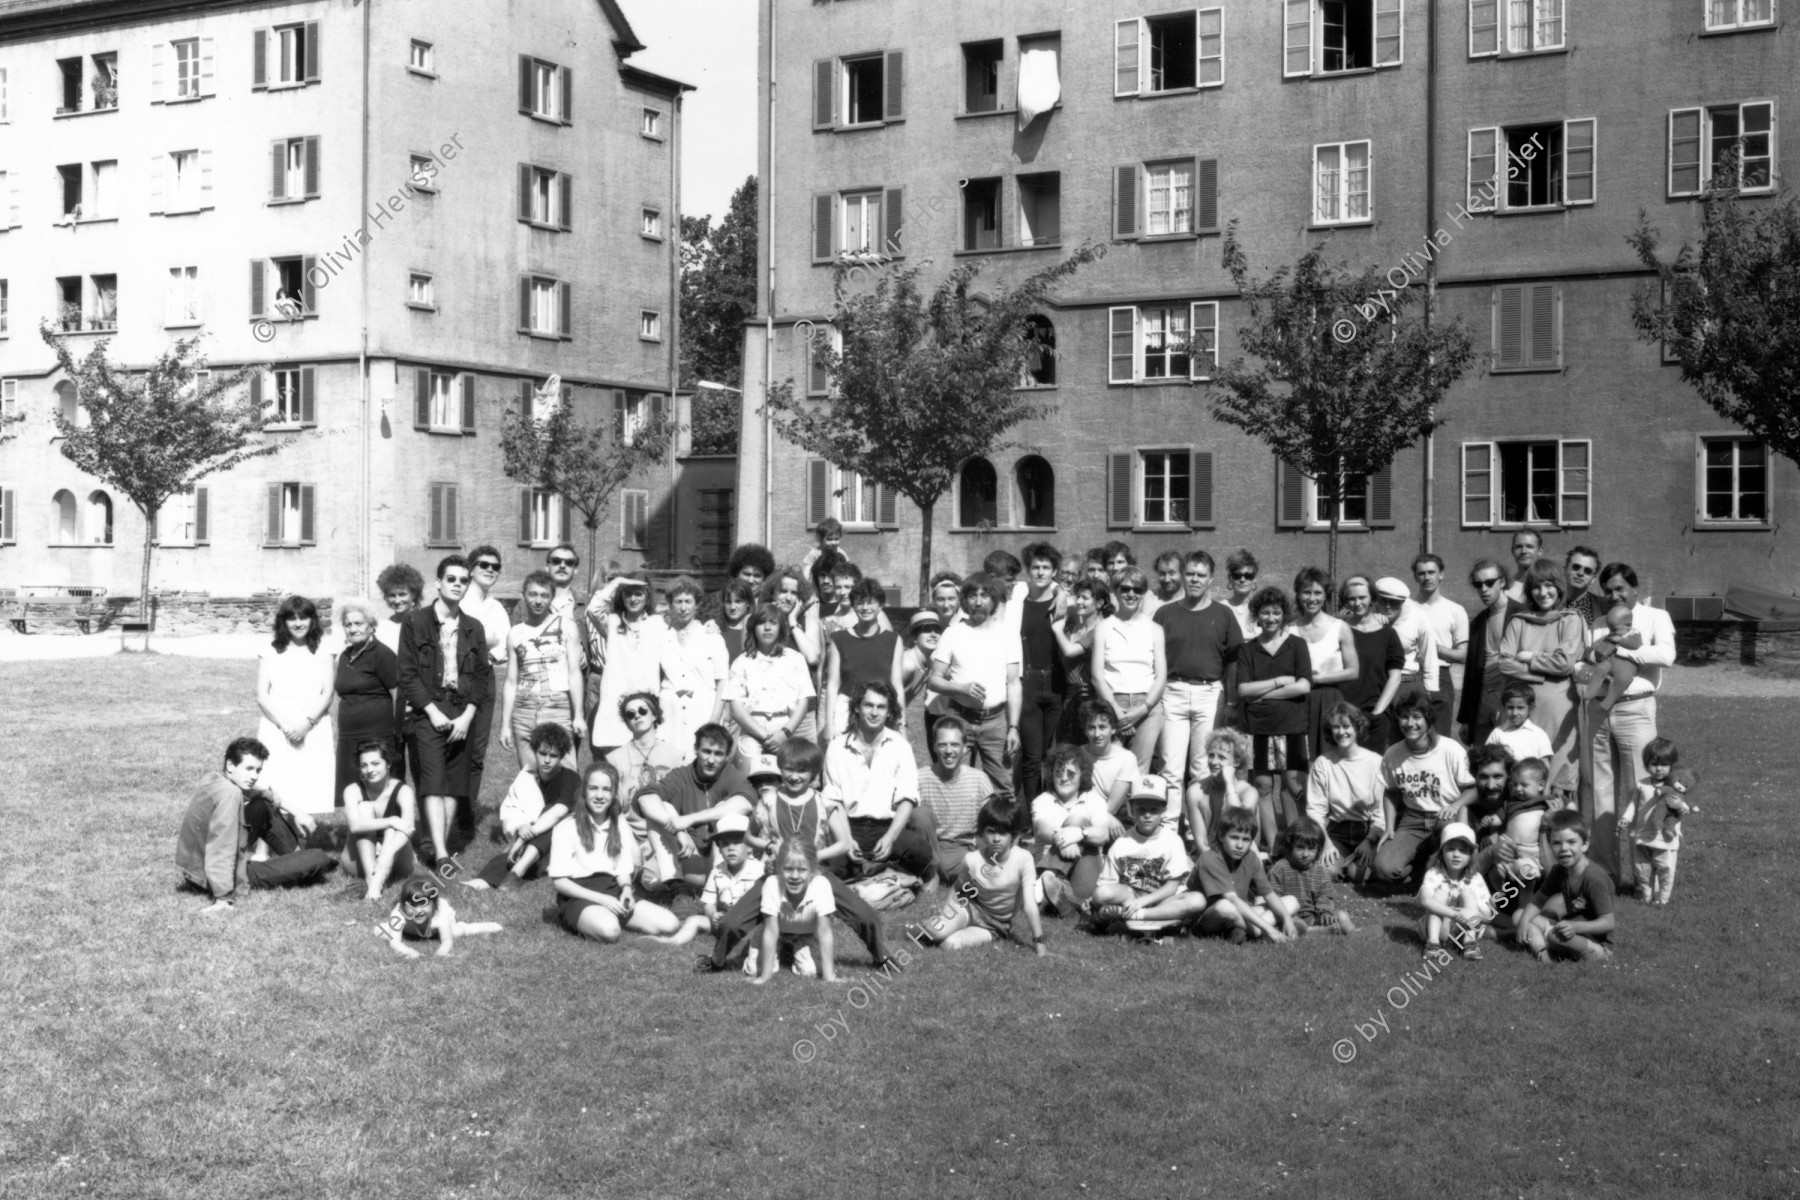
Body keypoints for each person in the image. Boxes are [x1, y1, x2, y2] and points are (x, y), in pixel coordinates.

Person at [398, 555, 494, 868]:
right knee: (432, 780)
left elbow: (481, 677)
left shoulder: (473, 627)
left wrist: (467, 716)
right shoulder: (415, 622)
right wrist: (432, 712)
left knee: (455, 783)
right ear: (438, 583)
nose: (457, 585)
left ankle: (442, 842)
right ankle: (440, 852)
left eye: (463, 580)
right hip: (429, 708)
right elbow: (408, 674)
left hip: (463, 708)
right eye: (451, 579)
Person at [1584, 563, 1676, 885]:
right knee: (1600, 793)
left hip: (1635, 710)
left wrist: (1623, 648)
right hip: (1599, 712)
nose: (1613, 595)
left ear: (1635, 588)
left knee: (1642, 791)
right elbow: (1588, 660)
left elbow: (1666, 655)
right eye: (1608, 590)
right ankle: (1605, 874)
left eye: (1620, 588)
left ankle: (1645, 878)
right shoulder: (1597, 622)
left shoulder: (1655, 617)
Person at [175, 737, 336, 910]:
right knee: (318, 857)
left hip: (195, 871)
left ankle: (297, 859)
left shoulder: (215, 780)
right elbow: (221, 845)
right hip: (214, 877)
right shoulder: (231, 795)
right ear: (230, 766)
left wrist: (297, 811)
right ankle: (303, 864)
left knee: (262, 806)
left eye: (258, 770)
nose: (254, 776)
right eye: (249, 769)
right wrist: (223, 897)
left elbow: (260, 794)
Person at [550, 761, 681, 942]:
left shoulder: (618, 824)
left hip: (613, 889)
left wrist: (627, 890)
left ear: (613, 794)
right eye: (593, 788)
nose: (599, 795)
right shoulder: (566, 827)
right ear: (584, 792)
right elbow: (559, 883)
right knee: (610, 931)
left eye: (606, 789)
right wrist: (603, 900)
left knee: (670, 924)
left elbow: (622, 870)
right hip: (579, 894)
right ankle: (581, 918)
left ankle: (610, 915)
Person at [822, 680, 934, 880]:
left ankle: (877, 866)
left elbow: (907, 798)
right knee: (835, 868)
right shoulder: (837, 747)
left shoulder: (900, 746)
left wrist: (890, 838)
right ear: (857, 707)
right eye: (868, 705)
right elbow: (833, 801)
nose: (874, 713)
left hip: (886, 826)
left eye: (881, 707)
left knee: (922, 853)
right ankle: (878, 868)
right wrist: (846, 840)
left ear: (889, 712)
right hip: (849, 825)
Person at [1156, 551, 1243, 800]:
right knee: (1170, 768)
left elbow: (1233, 662)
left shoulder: (1224, 614)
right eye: (1190, 574)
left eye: (1201, 575)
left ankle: (1197, 830)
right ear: (1182, 576)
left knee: (1202, 767)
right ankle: (1170, 829)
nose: (1195, 579)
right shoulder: (1164, 614)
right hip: (1173, 692)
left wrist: (1231, 702)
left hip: (1210, 694)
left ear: (1210, 579)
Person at [1496, 559, 1586, 799]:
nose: (1543, 592)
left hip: (1558, 709)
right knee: (1519, 763)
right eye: (1536, 586)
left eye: (1549, 585)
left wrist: (1529, 657)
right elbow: (1504, 662)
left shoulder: (1571, 620)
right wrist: (1542, 673)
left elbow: (1565, 662)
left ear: (1559, 587)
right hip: (1521, 706)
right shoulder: (1519, 621)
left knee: (1556, 773)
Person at [927, 573, 1023, 797]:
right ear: (965, 601)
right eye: (972, 596)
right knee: (952, 782)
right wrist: (961, 688)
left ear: (994, 601)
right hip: (959, 718)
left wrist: (1013, 727)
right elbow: (934, 679)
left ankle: (1002, 832)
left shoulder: (1007, 635)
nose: (978, 602)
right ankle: (955, 832)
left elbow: (1014, 683)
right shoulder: (953, 634)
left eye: (985, 596)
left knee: (1004, 787)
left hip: (996, 722)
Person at [918, 797, 1048, 955]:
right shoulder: (972, 859)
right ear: (982, 833)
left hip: (995, 924)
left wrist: (1039, 944)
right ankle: (921, 929)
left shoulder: (1023, 859)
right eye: (991, 831)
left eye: (1002, 833)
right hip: (970, 908)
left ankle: (951, 931)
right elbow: (958, 889)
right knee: (936, 931)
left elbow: (1029, 905)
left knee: (951, 944)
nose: (996, 838)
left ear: (1013, 835)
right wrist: (945, 916)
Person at [1373, 690, 1476, 888]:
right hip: (1413, 818)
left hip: (1445, 816)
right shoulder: (1393, 753)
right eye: (1404, 717)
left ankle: (1436, 872)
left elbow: (1473, 789)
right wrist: (1389, 827)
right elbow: (1390, 791)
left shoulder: (1450, 749)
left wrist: (1456, 805)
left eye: (1416, 717)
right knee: (1384, 869)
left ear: (1428, 720)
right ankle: (1423, 870)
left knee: (1450, 848)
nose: (1410, 723)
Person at [639, 723, 757, 893]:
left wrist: (689, 819)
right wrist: (677, 830)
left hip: (720, 857)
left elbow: (745, 803)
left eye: (718, 754)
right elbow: (645, 799)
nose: (711, 760)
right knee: (651, 880)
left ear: (726, 756)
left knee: (727, 809)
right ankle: (678, 890)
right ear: (695, 750)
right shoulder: (681, 775)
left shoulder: (732, 775)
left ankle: (720, 890)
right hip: (688, 855)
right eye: (706, 751)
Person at [1237, 585, 1312, 840]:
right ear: (1257, 616)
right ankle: (1272, 845)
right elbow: (1244, 689)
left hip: (1291, 724)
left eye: (1276, 613)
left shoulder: (1297, 645)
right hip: (1258, 727)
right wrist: (1279, 681)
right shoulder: (1248, 650)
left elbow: (1303, 685)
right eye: (1265, 613)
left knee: (1294, 785)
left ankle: (1299, 840)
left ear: (1285, 615)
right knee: (1263, 786)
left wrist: (1263, 695)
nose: (1271, 618)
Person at [466, 724, 579, 890]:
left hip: (560, 841)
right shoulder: (526, 777)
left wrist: (521, 840)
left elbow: (558, 812)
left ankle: (517, 872)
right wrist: (520, 827)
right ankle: (483, 882)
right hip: (532, 839)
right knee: (513, 852)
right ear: (534, 751)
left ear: (561, 756)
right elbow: (511, 808)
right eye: (542, 753)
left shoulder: (571, 778)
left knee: (550, 816)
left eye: (553, 756)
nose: (547, 760)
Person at [255, 595, 337, 816]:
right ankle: (265, 845)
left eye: (304, 617)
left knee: (306, 781)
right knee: (275, 780)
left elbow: (327, 694)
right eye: (292, 618)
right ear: (283, 622)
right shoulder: (269, 651)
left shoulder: (324, 651)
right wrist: (285, 725)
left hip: (313, 725)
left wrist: (306, 724)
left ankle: (301, 845)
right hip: (277, 724)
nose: (298, 623)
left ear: (312, 620)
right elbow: (262, 695)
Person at [499, 570, 584, 771]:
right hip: (524, 707)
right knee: (530, 773)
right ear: (523, 596)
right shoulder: (515, 633)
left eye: (544, 596)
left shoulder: (567, 626)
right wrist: (505, 725)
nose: (538, 601)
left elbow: (574, 673)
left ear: (551, 598)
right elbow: (511, 681)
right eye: (533, 595)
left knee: (565, 771)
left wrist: (578, 715)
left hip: (557, 705)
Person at [1089, 781, 1196, 933]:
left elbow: (1172, 886)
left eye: (1153, 810)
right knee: (1101, 894)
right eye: (1141, 809)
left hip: (1163, 899)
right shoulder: (1121, 843)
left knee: (1197, 900)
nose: (1147, 815)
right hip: (1132, 895)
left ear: (1163, 811)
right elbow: (1107, 885)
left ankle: (1135, 916)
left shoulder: (1173, 840)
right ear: (1132, 809)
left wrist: (1141, 903)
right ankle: (1168, 922)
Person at [645, 812, 765, 946]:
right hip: (724, 920)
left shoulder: (760, 870)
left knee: (763, 927)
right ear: (719, 848)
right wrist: (713, 915)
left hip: (751, 922)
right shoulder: (717, 872)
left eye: (737, 843)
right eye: (725, 844)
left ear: (749, 847)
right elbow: (709, 903)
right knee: (694, 920)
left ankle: (751, 946)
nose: (731, 848)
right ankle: (673, 941)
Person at [1090, 567, 1166, 774]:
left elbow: (1161, 677)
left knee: (1139, 770)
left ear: (1143, 593)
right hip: (1112, 705)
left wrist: (1141, 710)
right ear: (1116, 591)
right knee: (1109, 768)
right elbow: (1097, 676)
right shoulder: (1103, 627)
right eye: (1125, 588)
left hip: (1147, 708)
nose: (1131, 594)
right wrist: (1117, 711)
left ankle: (1134, 808)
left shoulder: (1155, 629)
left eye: (1137, 589)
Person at [1514, 809, 1616, 963]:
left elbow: (1608, 923)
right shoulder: (1559, 870)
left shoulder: (1594, 878)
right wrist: (1524, 922)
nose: (1564, 849)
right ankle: (1544, 954)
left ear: (1585, 844)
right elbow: (1539, 899)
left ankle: (1599, 954)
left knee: (1555, 936)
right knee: (1519, 916)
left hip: (1594, 939)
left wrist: (1576, 927)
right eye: (1556, 843)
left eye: (1571, 842)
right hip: (1567, 928)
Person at [587, 573, 670, 757]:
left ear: (647, 596)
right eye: (628, 593)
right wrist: (617, 583)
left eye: (638, 593)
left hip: (646, 704)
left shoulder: (658, 624)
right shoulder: (613, 622)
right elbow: (593, 609)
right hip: (616, 702)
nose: (633, 599)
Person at [603, 692, 686, 876]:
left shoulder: (675, 756)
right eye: (630, 714)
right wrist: (632, 843)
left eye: (642, 710)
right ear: (626, 722)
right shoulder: (614, 759)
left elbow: (681, 806)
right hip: (631, 834)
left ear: (654, 714)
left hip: (667, 832)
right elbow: (613, 810)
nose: (637, 716)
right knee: (649, 878)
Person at [726, 604, 817, 770]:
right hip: (752, 729)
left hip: (785, 729)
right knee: (750, 778)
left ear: (780, 628)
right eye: (762, 623)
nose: (767, 628)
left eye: (773, 623)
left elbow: (803, 702)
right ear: (753, 628)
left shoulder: (795, 659)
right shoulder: (742, 662)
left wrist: (784, 733)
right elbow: (736, 708)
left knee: (787, 776)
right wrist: (765, 736)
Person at [1305, 702, 1386, 881]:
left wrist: (1369, 840)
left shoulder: (1375, 762)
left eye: (1346, 726)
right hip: (1336, 831)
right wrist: (1325, 843)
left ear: (1357, 728)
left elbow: (1381, 812)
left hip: (1367, 830)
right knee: (1327, 872)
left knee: (1359, 875)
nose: (1341, 732)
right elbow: (1315, 810)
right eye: (1335, 727)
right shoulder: (1323, 763)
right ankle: (1341, 861)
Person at [1014, 542, 1069, 804]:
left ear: (1055, 571)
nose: (1040, 572)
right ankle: (1032, 815)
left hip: (1057, 682)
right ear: (1028, 570)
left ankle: (1052, 807)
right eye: (1035, 567)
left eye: (1046, 567)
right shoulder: (1019, 601)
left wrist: (1063, 592)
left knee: (1052, 753)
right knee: (1032, 756)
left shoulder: (1064, 603)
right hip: (1029, 681)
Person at [461, 545, 513, 819]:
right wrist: (485, 641)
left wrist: (482, 643)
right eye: (484, 565)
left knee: (478, 748)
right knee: (456, 745)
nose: (491, 570)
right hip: (458, 679)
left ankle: (466, 810)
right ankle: (450, 807)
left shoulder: (496, 607)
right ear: (471, 569)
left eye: (496, 567)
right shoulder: (460, 599)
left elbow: (503, 646)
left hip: (485, 678)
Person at [1189, 807, 1293, 943]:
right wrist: (1269, 929)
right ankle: (1258, 932)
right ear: (1221, 837)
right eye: (1234, 838)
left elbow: (1269, 894)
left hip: (1239, 912)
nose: (1239, 845)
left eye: (1246, 840)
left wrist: (1287, 919)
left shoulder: (1251, 857)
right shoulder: (1210, 858)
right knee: (1225, 907)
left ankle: (1241, 929)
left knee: (1291, 901)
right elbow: (1231, 900)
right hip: (1208, 918)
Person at [1289, 565, 1359, 763]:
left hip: (1329, 700)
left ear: (1325, 595)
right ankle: (1303, 796)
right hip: (1296, 700)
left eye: (1318, 593)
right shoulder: (1289, 628)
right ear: (1298, 594)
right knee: (1298, 763)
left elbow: (1353, 671)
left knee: (1331, 759)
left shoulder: (1340, 628)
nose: (1312, 599)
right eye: (1306, 592)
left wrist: (1318, 678)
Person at [1033, 744, 1120, 904]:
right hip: (1050, 863)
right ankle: (1065, 900)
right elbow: (1041, 830)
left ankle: (1047, 882)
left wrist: (1080, 833)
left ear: (1082, 775)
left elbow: (1103, 835)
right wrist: (1063, 840)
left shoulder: (1094, 800)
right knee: (1075, 823)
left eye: (1071, 773)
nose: (1064, 778)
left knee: (1077, 820)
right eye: (1058, 772)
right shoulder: (1042, 800)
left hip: (1084, 870)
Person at [332, 598, 400, 801]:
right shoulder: (345, 656)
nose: (353, 629)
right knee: (352, 789)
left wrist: (396, 733)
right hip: (349, 736)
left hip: (377, 734)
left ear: (371, 626)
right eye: (348, 624)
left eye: (359, 623)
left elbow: (398, 696)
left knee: (377, 788)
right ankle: (359, 830)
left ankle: (383, 829)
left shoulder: (383, 655)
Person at [746, 838, 839, 983]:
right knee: (753, 970)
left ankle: (790, 952)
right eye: (788, 869)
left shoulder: (822, 886)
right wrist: (764, 977)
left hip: (806, 934)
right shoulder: (772, 885)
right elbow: (771, 931)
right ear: (779, 868)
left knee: (810, 972)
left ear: (812, 870)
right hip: (776, 932)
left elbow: (824, 932)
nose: (795, 876)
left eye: (802, 870)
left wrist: (830, 977)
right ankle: (779, 951)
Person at [916, 716, 995, 882]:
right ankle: (930, 870)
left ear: (965, 748)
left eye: (955, 744)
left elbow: (993, 822)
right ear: (934, 747)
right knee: (919, 814)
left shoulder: (979, 780)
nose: (948, 751)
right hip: (929, 843)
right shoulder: (920, 778)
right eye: (943, 744)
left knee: (990, 872)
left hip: (961, 846)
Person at [822, 578, 903, 741]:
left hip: (880, 709)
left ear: (880, 606)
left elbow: (897, 685)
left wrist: (902, 724)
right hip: (846, 711)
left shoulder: (893, 640)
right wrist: (829, 724)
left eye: (870, 602)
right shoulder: (839, 639)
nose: (865, 608)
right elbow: (832, 685)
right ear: (853, 605)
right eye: (860, 602)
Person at [338, 740, 417, 899]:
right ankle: (371, 879)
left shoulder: (403, 790)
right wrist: (391, 820)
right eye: (364, 765)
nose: (370, 770)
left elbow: (409, 827)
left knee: (393, 829)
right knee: (365, 808)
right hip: (360, 861)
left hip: (395, 860)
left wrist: (385, 856)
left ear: (387, 763)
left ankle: (377, 879)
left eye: (375, 763)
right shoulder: (353, 790)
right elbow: (355, 826)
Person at [661, 575, 731, 752]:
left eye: (688, 601)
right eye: (678, 602)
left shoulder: (712, 638)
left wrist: (715, 718)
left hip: (703, 712)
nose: (683, 608)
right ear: (670, 604)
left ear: (697, 604)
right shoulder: (662, 638)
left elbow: (723, 681)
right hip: (670, 715)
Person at [1456, 560, 1520, 747]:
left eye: (1489, 583)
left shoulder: (1522, 614)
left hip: (1512, 696)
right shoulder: (1477, 623)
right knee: (1485, 761)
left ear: (1502, 582)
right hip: (1483, 700)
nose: (1484, 589)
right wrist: (1466, 718)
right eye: (1478, 584)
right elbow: (1470, 674)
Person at [1621, 739, 1692, 905]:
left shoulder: (1676, 786)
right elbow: (1633, 804)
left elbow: (1685, 809)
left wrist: (1680, 805)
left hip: (1664, 839)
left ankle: (1662, 899)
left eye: (1664, 764)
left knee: (1665, 869)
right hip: (1643, 836)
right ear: (1646, 764)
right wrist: (1625, 818)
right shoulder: (1642, 784)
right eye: (1654, 764)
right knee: (1643, 870)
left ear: (1672, 766)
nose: (1659, 768)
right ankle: (1645, 896)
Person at [1339, 575, 1403, 751]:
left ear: (1372, 598)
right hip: (1344, 714)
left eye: (1362, 597)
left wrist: (1378, 712)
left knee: (1372, 771)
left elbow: (1395, 676)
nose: (1357, 603)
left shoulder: (1387, 633)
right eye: (1351, 598)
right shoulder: (1338, 630)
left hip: (1374, 714)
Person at [1416, 822, 1493, 960]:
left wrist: (1470, 914)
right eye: (1451, 849)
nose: (1456, 855)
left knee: (1468, 893)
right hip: (1439, 928)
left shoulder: (1475, 877)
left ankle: (1469, 943)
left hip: (1463, 930)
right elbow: (1425, 900)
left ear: (1471, 854)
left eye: (1463, 851)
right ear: (1442, 852)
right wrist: (1455, 914)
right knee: (1441, 893)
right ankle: (1433, 944)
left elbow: (1488, 914)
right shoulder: (1434, 874)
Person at [376, 876, 502, 959]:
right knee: (381, 932)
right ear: (403, 905)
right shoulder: (399, 913)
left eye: (424, 904)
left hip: (438, 926)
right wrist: (409, 951)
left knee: (455, 933)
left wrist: (441, 952)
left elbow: (447, 939)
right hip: (410, 927)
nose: (418, 910)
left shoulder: (439, 913)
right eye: (413, 905)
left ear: (434, 905)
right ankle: (410, 932)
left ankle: (469, 927)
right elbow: (395, 942)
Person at [1265, 820, 1356, 935]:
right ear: (1289, 846)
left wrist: (1325, 912)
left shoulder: (1320, 870)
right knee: (1297, 924)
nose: (1305, 854)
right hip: (1290, 916)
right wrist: (1286, 916)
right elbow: (1273, 896)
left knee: (1342, 914)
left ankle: (1354, 933)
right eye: (1300, 848)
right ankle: (1321, 931)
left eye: (1311, 849)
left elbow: (1326, 894)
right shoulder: (1279, 869)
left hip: (1313, 916)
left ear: (1318, 849)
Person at [1412, 554, 1469, 734]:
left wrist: (1432, 648)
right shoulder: (1406, 608)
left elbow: (1462, 655)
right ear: (1415, 577)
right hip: (1411, 675)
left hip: (1441, 675)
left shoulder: (1455, 610)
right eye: (1422, 573)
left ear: (1441, 575)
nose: (1427, 577)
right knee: (1410, 733)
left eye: (1431, 572)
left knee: (1439, 735)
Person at [1373, 577, 1441, 725]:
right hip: (1376, 683)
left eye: (1394, 602)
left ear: (1403, 602)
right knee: (1378, 732)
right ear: (1376, 599)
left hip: (1406, 682)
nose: (1388, 606)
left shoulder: (1418, 617)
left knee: (1410, 733)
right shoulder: (1368, 615)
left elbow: (1429, 654)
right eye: (1383, 600)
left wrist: (1430, 689)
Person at [1053, 577, 1111, 745]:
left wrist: (1057, 631)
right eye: (1078, 597)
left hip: (1092, 700)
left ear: (1099, 603)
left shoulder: (1100, 629)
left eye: (1085, 598)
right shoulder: (1074, 629)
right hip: (1070, 700)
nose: (1078, 601)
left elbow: (1070, 651)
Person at [1186, 727, 1262, 853]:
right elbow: (1201, 842)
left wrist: (1229, 785)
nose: (1214, 762)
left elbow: (1240, 826)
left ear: (1237, 761)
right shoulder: (1195, 792)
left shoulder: (1249, 792)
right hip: (1210, 855)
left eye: (1221, 757)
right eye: (1211, 755)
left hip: (1243, 853)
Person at [1076, 699, 1140, 816]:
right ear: (1084, 731)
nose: (1097, 734)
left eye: (1102, 727)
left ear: (1113, 729)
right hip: (1080, 813)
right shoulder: (1077, 755)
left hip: (1111, 818)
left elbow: (1112, 808)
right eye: (1091, 728)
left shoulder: (1126, 759)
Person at [1584, 604, 1644, 711]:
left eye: (1615, 629)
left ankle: (1608, 701)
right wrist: (1599, 651)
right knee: (1600, 669)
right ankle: (1590, 691)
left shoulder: (1634, 633)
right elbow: (1603, 646)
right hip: (1610, 661)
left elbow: (1636, 645)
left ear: (1628, 625)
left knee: (1622, 679)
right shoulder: (1613, 634)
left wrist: (1620, 640)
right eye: (1610, 629)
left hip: (1626, 665)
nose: (1611, 632)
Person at [762, 564, 823, 668]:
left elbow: (812, 658)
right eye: (783, 591)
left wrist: (792, 621)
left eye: (794, 593)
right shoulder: (762, 621)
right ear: (772, 593)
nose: (789, 598)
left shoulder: (809, 622)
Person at [1487, 682, 1554, 763]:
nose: (1515, 713)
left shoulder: (1539, 734)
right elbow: (1487, 758)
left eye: (1520, 708)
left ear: (1530, 708)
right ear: (1504, 707)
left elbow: (1545, 764)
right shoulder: (1497, 733)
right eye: (1510, 707)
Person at [375, 563, 425, 655]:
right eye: (392, 595)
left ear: (413, 594)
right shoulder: (380, 628)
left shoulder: (425, 624)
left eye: (402, 594)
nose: (397, 601)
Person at [901, 610, 942, 718]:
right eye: (927, 630)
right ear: (914, 638)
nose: (933, 635)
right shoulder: (907, 664)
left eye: (937, 631)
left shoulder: (929, 662)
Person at [712, 578, 758, 665]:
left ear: (748, 603)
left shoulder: (755, 629)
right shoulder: (717, 628)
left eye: (738, 602)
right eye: (728, 602)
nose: (733, 607)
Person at [1222, 549, 1262, 640]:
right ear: (1230, 578)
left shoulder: (1261, 609)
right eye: (1237, 576)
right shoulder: (1221, 608)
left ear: (1254, 580)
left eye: (1248, 576)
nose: (1242, 580)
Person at [1564, 545, 1605, 629]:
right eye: (1576, 567)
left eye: (1587, 571)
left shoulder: (1604, 607)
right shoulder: (1549, 602)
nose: (1580, 573)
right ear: (1565, 570)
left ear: (1593, 579)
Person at [798, 517, 844, 582]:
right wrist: (806, 583)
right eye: (829, 539)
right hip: (818, 582)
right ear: (820, 539)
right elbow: (807, 570)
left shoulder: (840, 553)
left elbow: (847, 570)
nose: (833, 542)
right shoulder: (815, 553)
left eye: (836, 539)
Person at [1504, 530, 1542, 604]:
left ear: (1540, 551)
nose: (1524, 551)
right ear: (1512, 551)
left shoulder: (1549, 584)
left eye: (1529, 546)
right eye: (1519, 547)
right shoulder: (1505, 587)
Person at [1147, 550, 1183, 616]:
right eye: (1162, 574)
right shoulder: (1150, 598)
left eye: (1171, 573)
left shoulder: (1190, 601)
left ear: (1182, 573)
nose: (1167, 580)